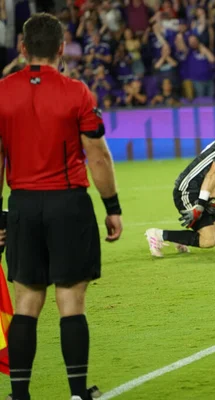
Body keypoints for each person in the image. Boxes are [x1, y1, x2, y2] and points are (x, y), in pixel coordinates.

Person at [0, 13, 123, 400]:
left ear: (22, 49)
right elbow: (98, 155)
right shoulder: (77, 93)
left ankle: (20, 395)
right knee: (71, 301)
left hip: (22, 204)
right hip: (68, 204)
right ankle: (76, 392)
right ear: (60, 48)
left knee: (26, 303)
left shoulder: (2, 92)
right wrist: (112, 205)